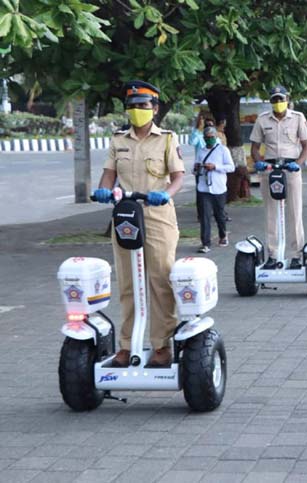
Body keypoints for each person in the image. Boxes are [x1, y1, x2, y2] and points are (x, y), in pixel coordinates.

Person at [93, 80, 184, 368]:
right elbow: (109, 173)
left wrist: (165, 193)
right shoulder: (118, 140)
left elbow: (178, 176)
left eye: (143, 106)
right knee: (128, 284)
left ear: (154, 109)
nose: (137, 111)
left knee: (159, 282)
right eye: (131, 106)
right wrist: (104, 190)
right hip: (125, 218)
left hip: (157, 216)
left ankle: (161, 346)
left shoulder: (167, 139)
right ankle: (126, 345)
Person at [250, 85, 307, 270]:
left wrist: (298, 163)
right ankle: (273, 254)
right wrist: (259, 161)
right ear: (270, 101)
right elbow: (254, 147)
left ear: (287, 99)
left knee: (294, 212)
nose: (278, 103)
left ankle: (296, 255)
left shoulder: (298, 118)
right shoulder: (262, 120)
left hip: (291, 168)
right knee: (271, 213)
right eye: (274, 100)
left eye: (281, 99)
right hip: (269, 168)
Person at [195, 126, 234, 253]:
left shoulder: (223, 150)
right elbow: (194, 169)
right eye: (207, 138)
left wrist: (215, 167)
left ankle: (223, 235)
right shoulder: (200, 151)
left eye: (211, 137)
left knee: (219, 215)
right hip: (203, 188)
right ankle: (205, 243)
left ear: (216, 137)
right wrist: (197, 168)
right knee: (204, 217)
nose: (209, 140)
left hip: (218, 188)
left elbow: (231, 167)